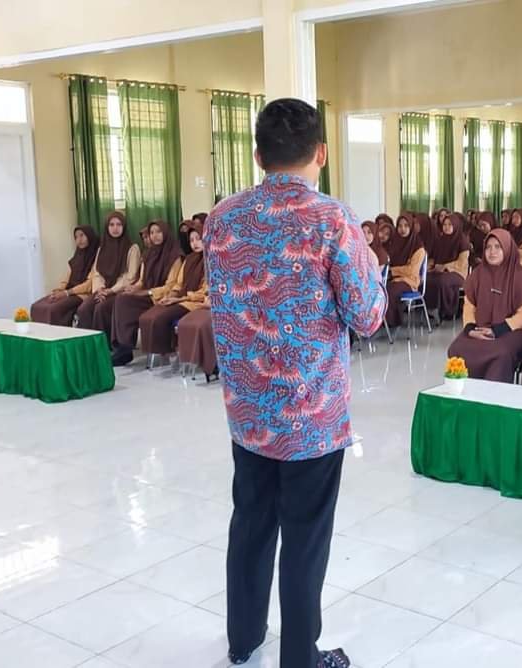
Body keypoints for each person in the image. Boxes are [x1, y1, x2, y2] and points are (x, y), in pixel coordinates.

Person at [204, 98, 384, 668]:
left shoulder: (222, 218)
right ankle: (301, 660)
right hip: (311, 418)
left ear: (258, 155)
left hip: (249, 412)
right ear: (321, 154)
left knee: (251, 524)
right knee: (305, 542)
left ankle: (243, 641)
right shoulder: (332, 219)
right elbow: (368, 315)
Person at [447, 229, 522, 382]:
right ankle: (464, 397)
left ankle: (492, 400)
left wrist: (497, 330)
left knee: (500, 353)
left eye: (498, 247)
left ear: (507, 249)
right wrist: (470, 329)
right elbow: (469, 307)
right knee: (457, 348)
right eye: (488, 247)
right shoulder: (477, 274)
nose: (492, 251)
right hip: (480, 327)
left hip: (515, 329)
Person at [110, 220, 184, 366]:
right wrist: (134, 288)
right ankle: (124, 347)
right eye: (152, 233)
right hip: (146, 295)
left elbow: (171, 285)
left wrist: (148, 292)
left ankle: (126, 347)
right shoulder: (148, 254)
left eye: (158, 232)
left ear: (165, 233)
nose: (155, 236)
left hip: (161, 297)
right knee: (121, 299)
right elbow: (142, 281)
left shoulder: (175, 255)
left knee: (127, 302)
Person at [135, 221, 208, 360]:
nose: (195, 243)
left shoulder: (211, 260)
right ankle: (161, 352)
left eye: (198, 239)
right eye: (191, 240)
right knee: (155, 313)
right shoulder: (189, 259)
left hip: (195, 303)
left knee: (162, 318)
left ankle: (167, 351)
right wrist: (171, 296)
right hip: (181, 299)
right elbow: (179, 284)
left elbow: (203, 292)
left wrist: (179, 299)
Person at [76, 211, 141, 337]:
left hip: (120, 291)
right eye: (111, 225)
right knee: (83, 309)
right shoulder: (102, 248)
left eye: (119, 224)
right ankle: (88, 346)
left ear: (124, 227)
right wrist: (100, 289)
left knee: (101, 309)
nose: (115, 228)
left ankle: (105, 348)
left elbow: (130, 276)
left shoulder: (132, 248)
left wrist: (110, 291)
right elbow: (97, 272)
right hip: (102, 290)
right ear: (107, 227)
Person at [31, 225, 99, 326]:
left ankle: (56, 339)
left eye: (82, 235)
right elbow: (67, 277)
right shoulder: (77, 256)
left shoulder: (97, 256)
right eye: (76, 237)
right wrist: (59, 290)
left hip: (82, 294)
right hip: (68, 292)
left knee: (52, 310)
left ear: (90, 236)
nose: (79, 240)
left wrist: (67, 293)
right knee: (37, 306)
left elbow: (89, 285)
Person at [425, 212, 471, 321]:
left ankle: (446, 311)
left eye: (450, 225)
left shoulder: (462, 240)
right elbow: (433, 258)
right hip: (440, 271)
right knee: (427, 279)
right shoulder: (440, 240)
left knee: (443, 280)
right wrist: (429, 266)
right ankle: (431, 308)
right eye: (445, 225)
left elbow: (462, 262)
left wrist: (445, 267)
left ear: (456, 225)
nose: (446, 227)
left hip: (458, 273)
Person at [384, 213, 427, 328]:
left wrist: (393, 271)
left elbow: (412, 270)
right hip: (393, 279)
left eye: (406, 226)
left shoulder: (418, 247)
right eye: (400, 226)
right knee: (378, 288)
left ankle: (391, 322)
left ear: (411, 227)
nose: (402, 229)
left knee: (390, 290)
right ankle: (379, 320)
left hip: (409, 281)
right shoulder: (394, 243)